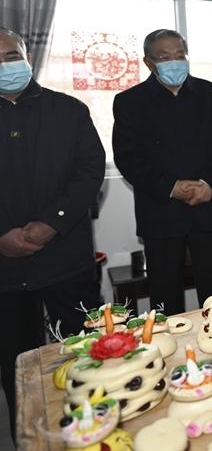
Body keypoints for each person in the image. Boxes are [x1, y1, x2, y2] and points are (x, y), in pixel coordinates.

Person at [0, 27, 104, 435]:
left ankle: (95, 430)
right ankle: (29, 436)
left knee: (84, 355)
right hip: (6, 269)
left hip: (66, 258)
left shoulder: (69, 110)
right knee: (18, 365)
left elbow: (89, 171)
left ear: (27, 55)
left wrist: (51, 223)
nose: (6, 65)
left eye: (11, 55)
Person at [113, 29, 212, 315]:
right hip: (161, 211)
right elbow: (128, 157)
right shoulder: (130, 101)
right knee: (165, 294)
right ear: (148, 63)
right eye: (164, 57)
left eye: (180, 55)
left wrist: (209, 183)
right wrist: (170, 186)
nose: (174, 62)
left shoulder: (211, 94)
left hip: (208, 207)